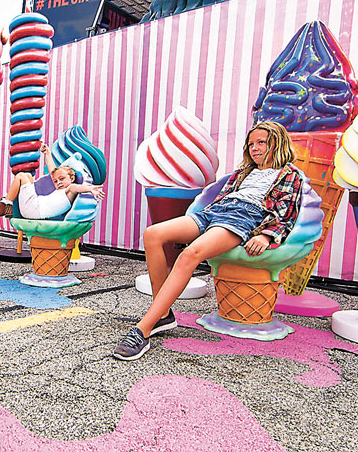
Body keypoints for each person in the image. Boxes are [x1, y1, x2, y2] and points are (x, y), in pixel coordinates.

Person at [112, 121, 303, 361]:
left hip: (243, 217)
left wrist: (266, 234)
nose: (254, 148)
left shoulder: (289, 174)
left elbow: (287, 213)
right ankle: (162, 314)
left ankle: (143, 329)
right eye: (251, 144)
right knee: (153, 234)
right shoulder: (243, 172)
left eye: (261, 143)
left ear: (278, 143)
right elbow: (221, 199)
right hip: (215, 212)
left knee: (190, 254)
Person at [0, 142, 105, 219]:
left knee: (21, 176)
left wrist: (90, 188)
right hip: (34, 207)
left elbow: (78, 187)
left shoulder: (70, 189)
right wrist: (47, 152)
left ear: (72, 178)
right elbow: (53, 171)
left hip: (34, 209)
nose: (58, 182)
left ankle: (5, 205)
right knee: (28, 176)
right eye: (56, 181)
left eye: (62, 179)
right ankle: (2, 202)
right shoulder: (62, 189)